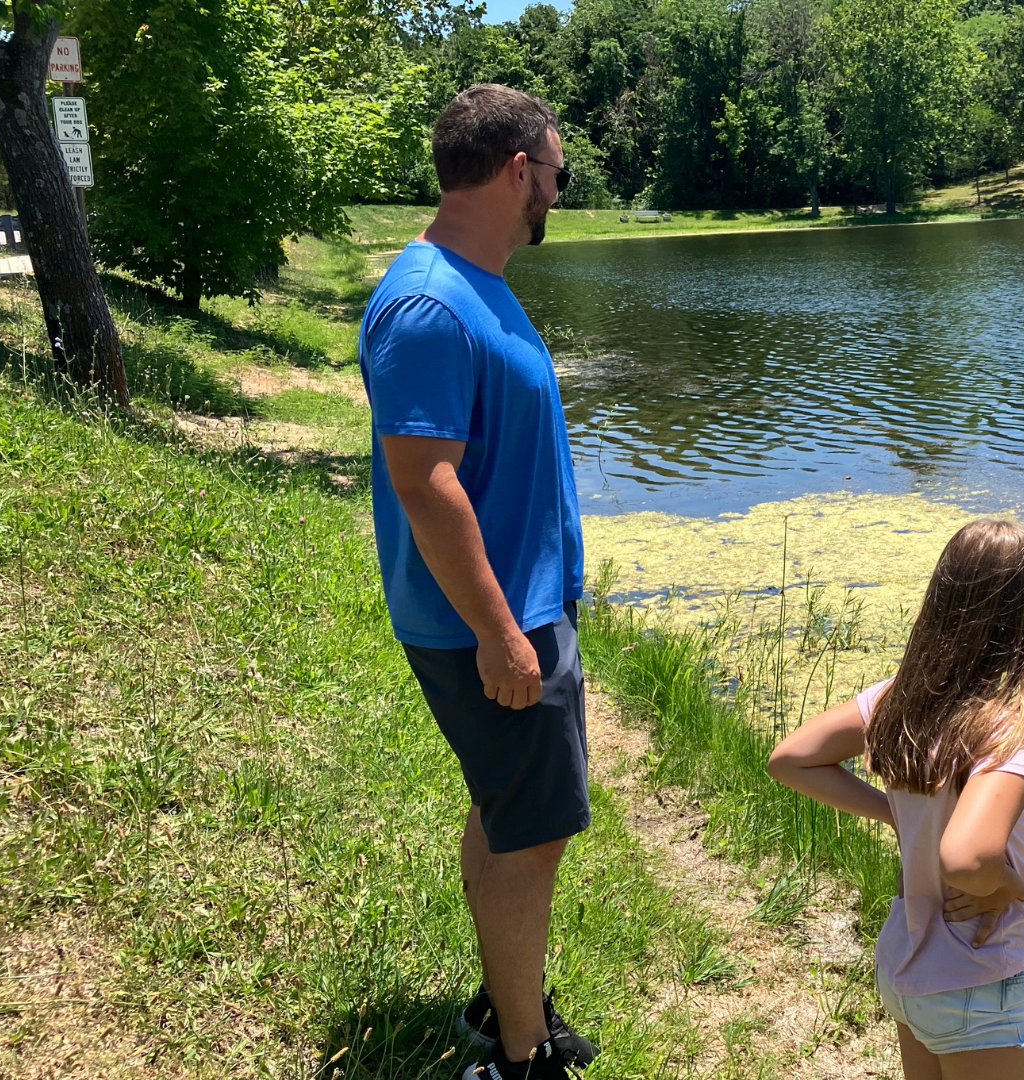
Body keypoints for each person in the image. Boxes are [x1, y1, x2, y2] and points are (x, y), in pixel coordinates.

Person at [357, 83, 595, 1080]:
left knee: (509, 812)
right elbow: (425, 482)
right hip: (493, 626)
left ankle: (506, 1000)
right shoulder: (426, 303)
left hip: (516, 608)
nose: (556, 194)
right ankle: (519, 1057)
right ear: (515, 172)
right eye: (557, 176)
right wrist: (503, 636)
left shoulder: (468, 278)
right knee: (531, 836)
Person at [767, 519, 1024, 1080]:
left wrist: (894, 812)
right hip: (980, 977)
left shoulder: (901, 698)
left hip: (907, 965)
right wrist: (1010, 886)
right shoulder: (1013, 724)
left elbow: (791, 759)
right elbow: (967, 859)